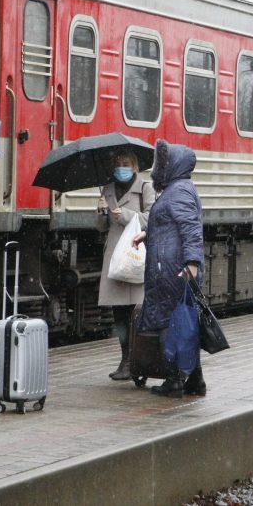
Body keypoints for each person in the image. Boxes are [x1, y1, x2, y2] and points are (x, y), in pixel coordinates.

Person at [131, 139, 205, 398]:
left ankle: (173, 380)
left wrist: (192, 264)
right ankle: (195, 381)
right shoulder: (176, 189)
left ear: (172, 165)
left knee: (168, 325)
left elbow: (191, 230)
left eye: (161, 163)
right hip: (170, 269)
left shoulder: (180, 191)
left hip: (173, 271)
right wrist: (146, 233)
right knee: (184, 324)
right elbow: (168, 224)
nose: (156, 169)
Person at [96, 151, 155, 381]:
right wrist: (101, 211)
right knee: (119, 312)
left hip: (135, 254)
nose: (121, 167)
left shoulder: (146, 188)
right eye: (118, 164)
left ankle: (137, 360)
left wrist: (125, 215)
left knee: (136, 312)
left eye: (126, 164)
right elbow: (101, 227)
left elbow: (152, 218)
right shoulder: (108, 190)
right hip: (115, 256)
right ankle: (125, 360)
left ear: (134, 167)